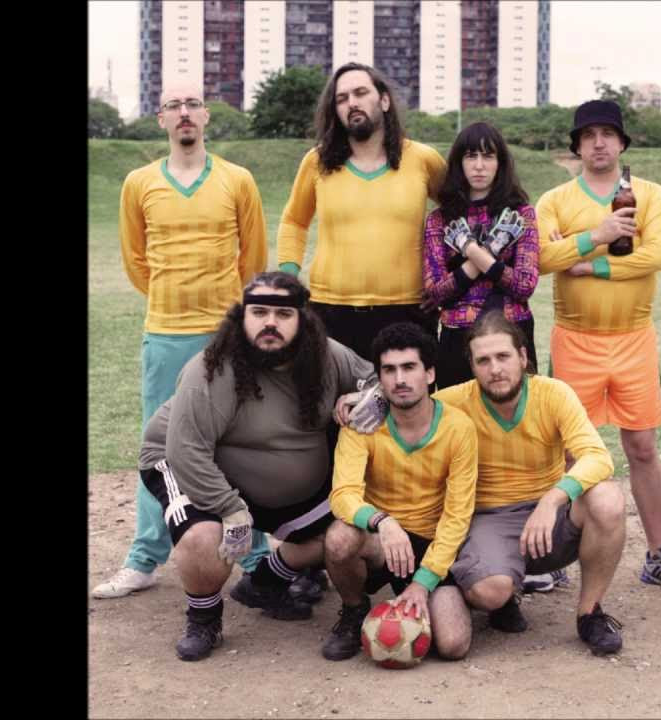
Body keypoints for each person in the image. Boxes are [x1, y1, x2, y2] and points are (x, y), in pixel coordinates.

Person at [137, 272, 377, 661]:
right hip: (187, 464)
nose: (270, 323)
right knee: (205, 538)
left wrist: (366, 398)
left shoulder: (327, 355)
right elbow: (186, 450)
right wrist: (230, 509)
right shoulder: (210, 369)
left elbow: (375, 380)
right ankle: (204, 618)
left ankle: (264, 583)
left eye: (283, 314)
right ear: (242, 317)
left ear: (303, 319)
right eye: (259, 312)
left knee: (343, 534)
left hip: (276, 482)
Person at [96, 82, 271, 600]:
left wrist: (229, 315)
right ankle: (144, 557)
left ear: (207, 116)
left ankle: (257, 555)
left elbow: (254, 258)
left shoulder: (237, 179)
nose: (185, 112)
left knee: (240, 438)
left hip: (225, 334)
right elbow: (136, 260)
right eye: (174, 105)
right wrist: (172, 296)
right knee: (159, 444)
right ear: (161, 119)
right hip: (165, 331)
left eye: (193, 104)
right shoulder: (139, 182)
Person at [533, 100, 661, 595]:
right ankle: (554, 556)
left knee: (642, 447)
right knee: (568, 451)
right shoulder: (555, 199)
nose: (599, 143)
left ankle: (659, 555)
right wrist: (595, 237)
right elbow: (541, 259)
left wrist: (588, 263)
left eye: (608, 134)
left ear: (622, 142)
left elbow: (655, 256)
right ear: (577, 145)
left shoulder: (650, 194)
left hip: (634, 338)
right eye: (589, 135)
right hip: (575, 338)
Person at [437, 311, 626, 655]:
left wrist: (553, 499)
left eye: (503, 356)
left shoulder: (553, 393)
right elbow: (402, 406)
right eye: (483, 360)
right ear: (472, 366)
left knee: (607, 499)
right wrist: (356, 402)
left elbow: (599, 457)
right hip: (490, 519)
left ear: (523, 357)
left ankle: (590, 614)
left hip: (549, 518)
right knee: (489, 592)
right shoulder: (452, 403)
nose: (495, 369)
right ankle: (501, 593)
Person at [320, 323, 478, 661]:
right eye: (389, 370)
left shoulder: (458, 427)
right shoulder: (363, 422)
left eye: (409, 367)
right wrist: (383, 522)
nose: (400, 379)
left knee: (453, 645)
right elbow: (343, 495)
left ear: (429, 374)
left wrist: (423, 582)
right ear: (379, 379)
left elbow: (457, 515)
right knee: (338, 538)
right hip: (381, 542)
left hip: (430, 544)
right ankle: (353, 610)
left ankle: (449, 596)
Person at [276, 62, 447, 360]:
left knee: (405, 392)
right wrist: (289, 278)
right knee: (329, 391)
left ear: (384, 100)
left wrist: (446, 280)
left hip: (408, 311)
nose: (352, 103)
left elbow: (460, 214)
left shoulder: (423, 159)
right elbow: (294, 222)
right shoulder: (316, 162)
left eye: (360, 93)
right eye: (342, 98)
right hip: (330, 312)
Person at [421, 121, 539, 388]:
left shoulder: (521, 214)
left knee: (517, 411)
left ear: (500, 163)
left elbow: (524, 285)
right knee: (458, 411)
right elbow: (436, 292)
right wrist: (489, 253)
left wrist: (470, 249)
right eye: (470, 156)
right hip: (457, 337)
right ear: (459, 163)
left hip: (512, 332)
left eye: (488, 156)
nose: (479, 165)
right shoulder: (440, 219)